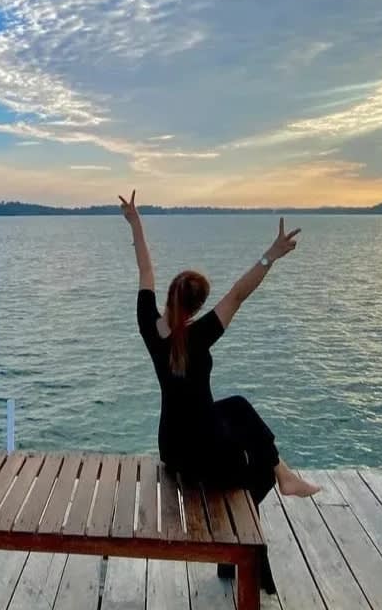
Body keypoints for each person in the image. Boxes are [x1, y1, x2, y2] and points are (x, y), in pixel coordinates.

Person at [119, 189, 319, 592]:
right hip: (203, 451)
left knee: (240, 407)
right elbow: (239, 293)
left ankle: (283, 474)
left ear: (170, 296)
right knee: (257, 469)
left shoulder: (149, 325)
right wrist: (271, 255)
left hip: (172, 446)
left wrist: (135, 222)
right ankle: (248, 535)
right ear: (195, 309)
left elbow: (145, 269)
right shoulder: (200, 335)